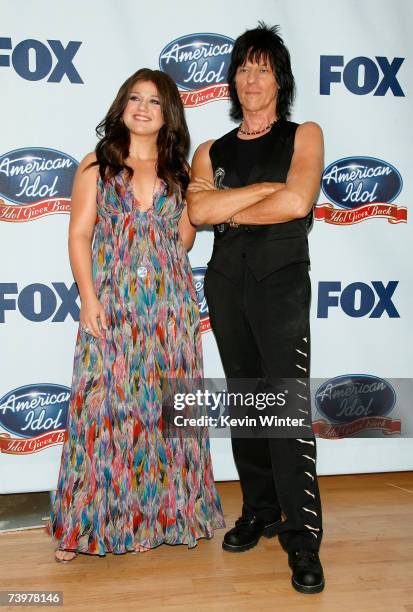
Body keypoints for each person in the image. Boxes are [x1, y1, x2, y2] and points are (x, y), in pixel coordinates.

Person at [48, 68, 225, 561]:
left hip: (169, 314)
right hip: (111, 309)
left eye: (154, 100)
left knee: (167, 415)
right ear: (121, 106)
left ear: (169, 113)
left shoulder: (183, 175)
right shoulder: (96, 166)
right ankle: (83, 529)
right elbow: (79, 236)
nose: (143, 107)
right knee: (100, 412)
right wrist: (89, 298)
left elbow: (183, 242)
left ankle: (164, 518)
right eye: (134, 98)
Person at [186, 24, 325, 594]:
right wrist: (258, 196)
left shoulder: (305, 134)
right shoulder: (209, 150)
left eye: (262, 68)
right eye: (243, 67)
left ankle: (302, 538)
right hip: (226, 286)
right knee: (247, 403)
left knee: (285, 409)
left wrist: (229, 209)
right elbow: (196, 215)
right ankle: (261, 510)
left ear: (280, 79)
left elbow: (298, 200)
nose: (251, 77)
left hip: (281, 286)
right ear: (232, 79)